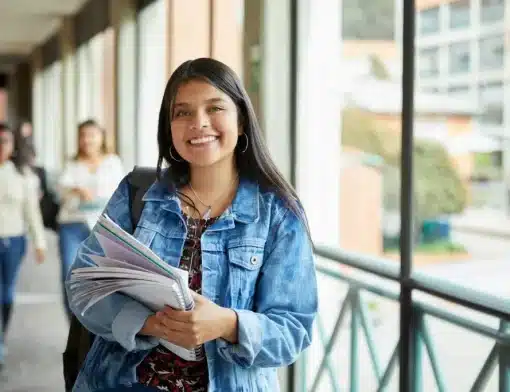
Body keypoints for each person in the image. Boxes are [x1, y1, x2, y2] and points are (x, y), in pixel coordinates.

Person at [66, 58, 318, 392]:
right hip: (125, 383)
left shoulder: (278, 213)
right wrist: (149, 324)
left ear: (241, 120)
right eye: (182, 112)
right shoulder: (138, 194)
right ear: (169, 127)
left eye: (214, 108)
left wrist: (228, 324)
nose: (198, 123)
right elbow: (84, 285)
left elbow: (294, 328)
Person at [58, 120, 124, 320]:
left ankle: (95, 326)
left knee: (102, 278)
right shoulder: (72, 164)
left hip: (103, 227)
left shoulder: (112, 162)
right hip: (72, 225)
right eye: (83, 135)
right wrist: (76, 189)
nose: (87, 140)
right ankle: (74, 325)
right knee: (70, 275)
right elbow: (60, 190)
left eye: (92, 135)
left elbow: (120, 193)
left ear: (101, 137)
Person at [0, 122, 46, 369]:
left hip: (13, 241)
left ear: (13, 145)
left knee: (6, 294)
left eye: (5, 141)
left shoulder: (23, 176)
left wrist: (39, 242)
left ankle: (2, 334)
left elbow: (32, 212)